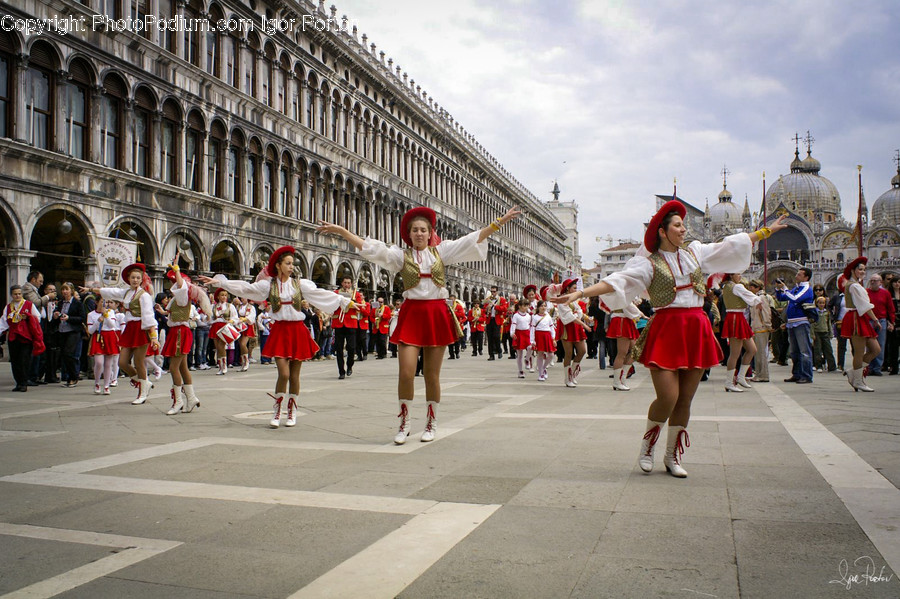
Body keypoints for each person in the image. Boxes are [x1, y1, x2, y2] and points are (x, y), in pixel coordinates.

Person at [552, 201, 786, 477]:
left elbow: (729, 245)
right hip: (667, 326)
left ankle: (671, 454)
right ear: (663, 231)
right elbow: (616, 281)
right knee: (668, 396)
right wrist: (579, 294)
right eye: (677, 225)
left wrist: (764, 233)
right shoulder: (648, 264)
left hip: (696, 326)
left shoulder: (696, 254)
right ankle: (648, 446)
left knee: (685, 399)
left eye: (683, 225)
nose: (683, 230)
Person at [318, 205, 520, 444]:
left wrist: (500, 221)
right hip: (411, 313)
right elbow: (370, 248)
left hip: (435, 313)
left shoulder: (442, 252)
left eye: (423, 229)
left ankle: (431, 422)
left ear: (430, 232)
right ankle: (404, 423)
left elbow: (473, 238)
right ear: (409, 233)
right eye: (415, 230)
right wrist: (342, 231)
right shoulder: (400, 256)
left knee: (431, 376)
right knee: (406, 372)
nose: (419, 233)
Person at [199, 246, 352, 428]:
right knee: (284, 373)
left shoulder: (299, 284)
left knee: (295, 376)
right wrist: (221, 283)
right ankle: (277, 409)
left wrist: (345, 301)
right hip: (280, 330)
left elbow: (320, 294)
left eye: (292, 264)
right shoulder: (268, 285)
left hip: (297, 330)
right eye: (287, 263)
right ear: (278, 265)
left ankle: (292, 410)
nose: (291, 267)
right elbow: (246, 288)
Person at [81, 264, 160, 404]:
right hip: (129, 328)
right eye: (133, 277)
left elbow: (148, 316)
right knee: (122, 362)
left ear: (142, 279)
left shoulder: (145, 296)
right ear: (128, 279)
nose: (135, 280)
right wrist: (90, 289)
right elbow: (110, 292)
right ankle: (144, 382)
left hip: (141, 328)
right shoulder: (126, 293)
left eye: (138, 278)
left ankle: (142, 392)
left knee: (139, 362)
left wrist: (153, 337)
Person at [161, 258, 210, 415]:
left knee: (173, 367)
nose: (171, 284)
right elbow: (171, 313)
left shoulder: (182, 295)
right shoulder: (176, 299)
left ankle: (178, 401)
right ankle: (191, 397)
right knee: (182, 367)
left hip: (180, 332)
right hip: (178, 332)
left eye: (173, 281)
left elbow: (181, 287)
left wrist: (176, 270)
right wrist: (162, 312)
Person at [716, 272, 762, 392]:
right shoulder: (737, 286)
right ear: (732, 275)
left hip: (736, 317)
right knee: (735, 353)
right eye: (738, 274)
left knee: (752, 349)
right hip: (736, 317)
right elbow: (751, 298)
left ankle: (741, 377)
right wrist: (759, 299)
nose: (740, 276)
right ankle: (729, 382)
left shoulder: (726, 287)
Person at [840, 258, 881, 392]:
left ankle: (853, 372)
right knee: (859, 351)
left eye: (864, 269)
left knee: (875, 349)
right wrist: (875, 319)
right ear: (853, 270)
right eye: (860, 269)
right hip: (856, 317)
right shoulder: (854, 286)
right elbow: (863, 305)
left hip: (860, 317)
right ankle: (858, 380)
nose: (863, 272)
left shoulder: (856, 285)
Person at [0, 285, 45, 391]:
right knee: (15, 361)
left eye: (19, 294)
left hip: (25, 337)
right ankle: (18, 382)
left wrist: (28, 317)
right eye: (15, 294)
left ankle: (24, 382)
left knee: (24, 360)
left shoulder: (29, 305)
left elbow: (38, 318)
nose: (17, 296)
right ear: (11, 295)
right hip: (13, 337)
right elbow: (4, 322)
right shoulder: (8, 307)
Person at [774, 268, 815, 384]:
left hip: (801, 321)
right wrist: (778, 289)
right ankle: (796, 374)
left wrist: (785, 289)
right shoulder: (797, 288)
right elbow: (782, 298)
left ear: (806, 277)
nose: (796, 275)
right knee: (794, 351)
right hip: (792, 322)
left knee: (804, 350)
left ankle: (806, 375)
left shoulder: (806, 288)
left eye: (799, 274)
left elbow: (795, 299)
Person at [549, 279, 590, 388]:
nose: (576, 290)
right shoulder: (562, 299)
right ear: (568, 288)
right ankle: (567, 378)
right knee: (569, 353)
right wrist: (584, 324)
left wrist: (584, 317)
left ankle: (572, 372)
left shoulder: (574, 299)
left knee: (582, 351)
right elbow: (569, 316)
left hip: (576, 326)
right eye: (574, 288)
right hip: (567, 327)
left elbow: (580, 310)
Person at [53, 283, 86, 388]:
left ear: (71, 291)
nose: (64, 292)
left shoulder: (77, 303)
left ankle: (73, 377)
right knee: (64, 354)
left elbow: (82, 318)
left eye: (66, 289)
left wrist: (69, 318)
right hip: (62, 331)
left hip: (73, 331)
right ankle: (68, 377)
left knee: (69, 353)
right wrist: (56, 315)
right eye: (63, 290)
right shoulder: (61, 303)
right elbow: (57, 313)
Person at [330, 276, 364, 380]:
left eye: (349, 283)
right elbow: (332, 304)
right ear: (342, 283)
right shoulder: (335, 293)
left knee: (351, 347)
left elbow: (361, 307)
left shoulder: (356, 294)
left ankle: (349, 365)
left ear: (351, 284)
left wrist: (352, 303)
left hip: (351, 323)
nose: (347, 285)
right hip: (339, 322)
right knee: (339, 348)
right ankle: (341, 371)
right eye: (345, 282)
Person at [87, 299, 120, 395]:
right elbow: (90, 331)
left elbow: (112, 325)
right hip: (98, 336)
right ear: (97, 302)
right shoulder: (91, 315)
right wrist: (98, 321)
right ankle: (97, 382)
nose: (105, 304)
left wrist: (106, 315)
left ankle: (106, 385)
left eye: (107, 302)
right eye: (102, 302)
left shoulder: (111, 312)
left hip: (109, 336)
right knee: (99, 362)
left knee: (108, 363)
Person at [607, 299, 641, 391]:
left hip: (626, 320)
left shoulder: (625, 290)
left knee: (635, 350)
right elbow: (627, 305)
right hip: (622, 320)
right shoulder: (621, 290)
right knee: (622, 353)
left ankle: (622, 378)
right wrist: (640, 314)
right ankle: (617, 381)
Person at [866, 273, 895, 376]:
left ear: (880, 282)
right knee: (869, 345)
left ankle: (877, 367)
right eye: (871, 280)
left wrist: (891, 322)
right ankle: (869, 367)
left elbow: (890, 308)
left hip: (882, 320)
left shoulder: (885, 293)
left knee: (881, 344)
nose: (873, 282)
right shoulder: (866, 292)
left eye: (875, 280)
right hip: (868, 321)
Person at [745, 279, 773, 382]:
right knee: (758, 352)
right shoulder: (756, 298)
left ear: (757, 288)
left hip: (761, 327)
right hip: (756, 327)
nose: (750, 289)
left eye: (752, 287)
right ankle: (759, 373)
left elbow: (766, 312)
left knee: (761, 352)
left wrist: (767, 325)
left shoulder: (761, 298)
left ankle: (763, 375)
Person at [209, 288, 238, 375]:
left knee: (222, 346)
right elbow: (210, 318)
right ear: (218, 296)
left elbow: (235, 317)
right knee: (217, 347)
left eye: (225, 295)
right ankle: (220, 366)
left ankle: (224, 366)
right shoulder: (213, 307)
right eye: (222, 295)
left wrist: (231, 322)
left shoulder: (230, 306)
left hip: (224, 326)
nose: (224, 297)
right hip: (215, 326)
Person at [530, 300, 556, 381]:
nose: (543, 307)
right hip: (539, 336)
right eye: (541, 306)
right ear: (538, 307)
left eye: (545, 306)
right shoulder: (534, 317)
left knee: (551, 354)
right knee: (540, 354)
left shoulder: (548, 316)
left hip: (547, 336)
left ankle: (544, 368)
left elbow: (552, 328)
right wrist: (532, 340)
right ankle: (540, 373)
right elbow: (532, 329)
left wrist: (553, 338)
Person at [811, 295, 836, 373]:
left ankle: (832, 366)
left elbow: (828, 323)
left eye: (823, 303)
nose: (821, 304)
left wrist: (830, 333)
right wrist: (812, 334)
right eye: (820, 303)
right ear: (817, 303)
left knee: (828, 349)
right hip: (817, 332)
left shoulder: (826, 313)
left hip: (825, 332)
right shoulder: (815, 312)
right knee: (817, 350)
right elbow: (812, 323)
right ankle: (818, 365)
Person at [509, 298, 532, 378]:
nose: (526, 307)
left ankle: (527, 360)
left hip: (527, 333)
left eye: (527, 306)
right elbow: (513, 325)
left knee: (530, 347)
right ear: (519, 306)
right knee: (520, 354)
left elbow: (530, 326)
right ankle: (520, 371)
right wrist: (512, 333)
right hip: (519, 334)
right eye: (524, 306)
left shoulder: (529, 316)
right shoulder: (516, 315)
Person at [828, 284, 849, 372]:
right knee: (841, 345)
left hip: (853, 322)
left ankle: (857, 365)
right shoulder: (837, 297)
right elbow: (829, 306)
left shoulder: (854, 296)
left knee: (855, 344)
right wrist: (833, 317)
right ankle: (840, 365)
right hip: (840, 322)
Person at [484, 286, 507, 360]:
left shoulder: (501, 299)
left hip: (497, 320)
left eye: (494, 291)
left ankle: (499, 350)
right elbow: (484, 308)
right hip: (490, 320)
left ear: (497, 292)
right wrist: (487, 308)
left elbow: (504, 308)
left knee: (496, 336)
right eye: (492, 291)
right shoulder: (488, 299)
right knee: (490, 338)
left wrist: (495, 306)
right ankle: (491, 355)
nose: (493, 293)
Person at [236, 297, 257, 372]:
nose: (242, 299)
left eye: (244, 297)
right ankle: (243, 362)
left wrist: (245, 319)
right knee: (240, 345)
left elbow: (252, 316)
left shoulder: (251, 307)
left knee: (243, 344)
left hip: (247, 326)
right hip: (239, 326)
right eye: (241, 298)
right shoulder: (238, 306)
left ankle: (246, 362)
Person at [886, 276, 900, 375]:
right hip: (893, 321)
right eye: (894, 282)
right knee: (893, 345)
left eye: (898, 282)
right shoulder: (888, 294)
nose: (897, 284)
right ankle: (893, 367)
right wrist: (889, 321)